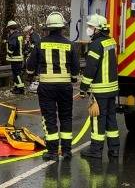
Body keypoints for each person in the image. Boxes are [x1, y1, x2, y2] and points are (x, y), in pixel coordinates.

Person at [25, 12, 80, 160]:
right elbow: (75, 66)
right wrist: (74, 78)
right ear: (62, 28)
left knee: (49, 118)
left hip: (46, 87)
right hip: (65, 87)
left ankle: (53, 152)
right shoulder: (70, 44)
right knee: (66, 117)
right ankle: (67, 151)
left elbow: (30, 65)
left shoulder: (40, 43)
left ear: (48, 28)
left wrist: (30, 75)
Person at [79, 14, 121, 159]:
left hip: (99, 90)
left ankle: (95, 150)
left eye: (91, 27)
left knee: (97, 119)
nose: (89, 29)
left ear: (97, 29)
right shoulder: (111, 42)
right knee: (111, 119)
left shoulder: (95, 45)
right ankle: (114, 149)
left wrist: (83, 88)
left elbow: (91, 69)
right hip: (111, 89)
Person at [5, 20, 26, 94]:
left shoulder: (13, 36)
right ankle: (17, 87)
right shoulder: (19, 35)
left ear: (10, 28)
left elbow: (12, 46)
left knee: (17, 74)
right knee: (16, 74)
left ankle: (21, 88)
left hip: (15, 58)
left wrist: (9, 53)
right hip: (19, 57)